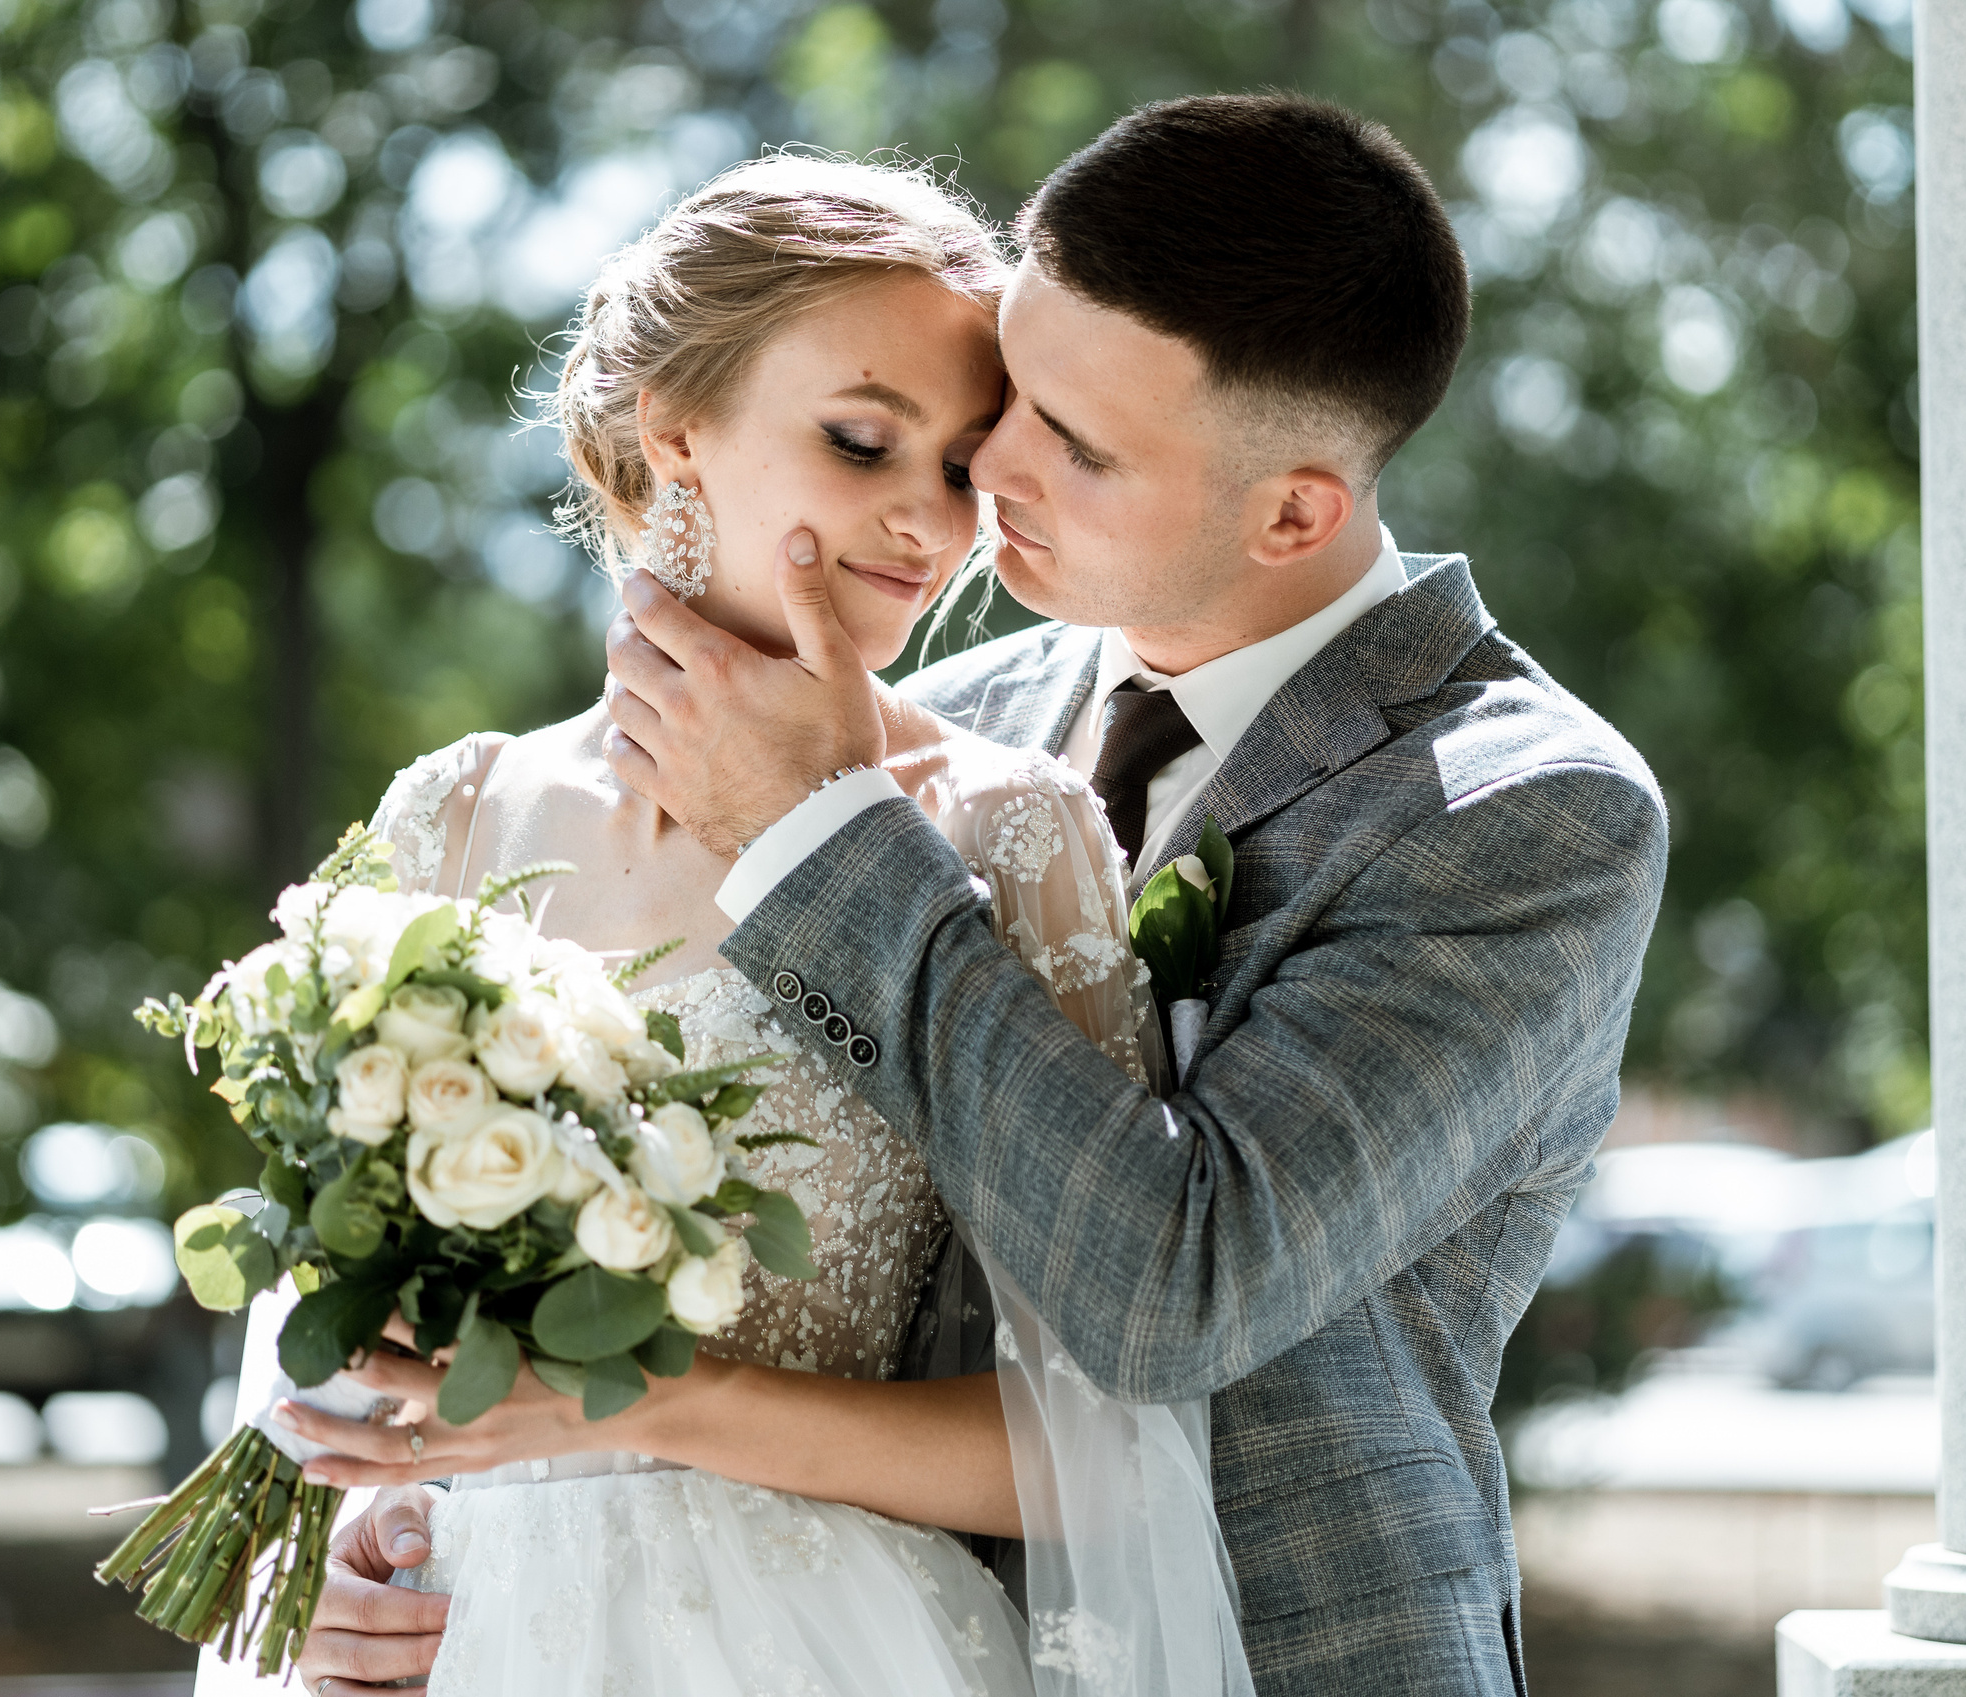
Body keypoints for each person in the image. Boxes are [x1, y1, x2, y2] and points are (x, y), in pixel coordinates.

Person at [598, 95, 1671, 1694]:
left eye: (1079, 445)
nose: (989, 462)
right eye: (1014, 388)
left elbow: (1177, 1288)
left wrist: (820, 830)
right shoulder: (962, 703)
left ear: (1295, 508)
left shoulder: (1528, 814)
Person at [211, 154, 1249, 1697]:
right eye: (859, 439)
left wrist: (642, 1398)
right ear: (673, 430)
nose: (928, 519)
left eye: (962, 465)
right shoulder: (455, 813)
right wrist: (327, 1556)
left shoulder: (1001, 830)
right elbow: (325, 1334)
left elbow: (1102, 1462)